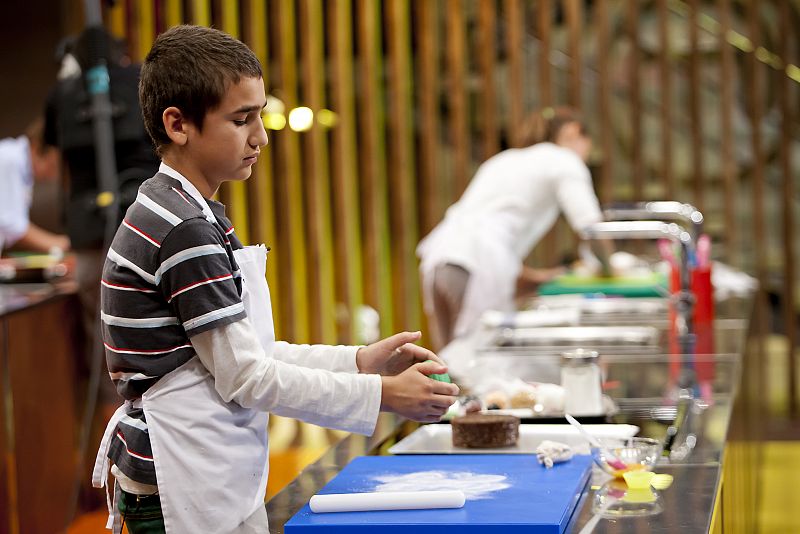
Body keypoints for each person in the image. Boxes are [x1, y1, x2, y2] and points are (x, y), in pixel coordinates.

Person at [91, 25, 459, 534]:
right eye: (241, 119)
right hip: (180, 479)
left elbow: (246, 354)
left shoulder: (189, 211)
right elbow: (246, 376)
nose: (260, 137)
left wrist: (356, 362)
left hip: (202, 468)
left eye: (259, 115)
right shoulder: (182, 227)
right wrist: (380, 394)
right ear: (178, 125)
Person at [416, 107, 610, 350]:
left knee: (448, 360)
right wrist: (610, 270)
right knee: (477, 359)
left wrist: (543, 277)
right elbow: (591, 228)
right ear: (574, 131)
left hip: (437, 260)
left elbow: (489, 238)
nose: (585, 156)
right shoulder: (564, 160)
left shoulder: (504, 160)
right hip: (475, 266)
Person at [0, 118, 70, 254]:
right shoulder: (9, 159)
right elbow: (11, 225)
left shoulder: (20, 167)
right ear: (37, 147)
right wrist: (60, 243)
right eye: (52, 165)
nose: (52, 176)